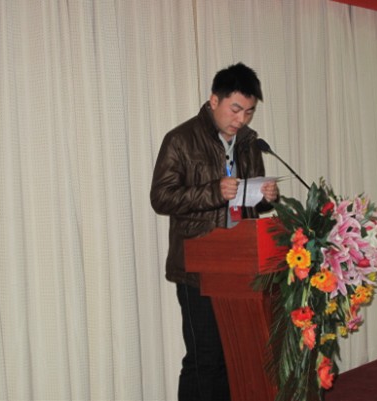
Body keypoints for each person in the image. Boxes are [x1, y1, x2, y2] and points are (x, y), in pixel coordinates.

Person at [150, 62, 279, 401]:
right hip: (198, 268)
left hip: (241, 265)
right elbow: (161, 198)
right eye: (235, 109)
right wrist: (212, 191)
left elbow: (247, 204)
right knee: (204, 359)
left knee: (233, 356)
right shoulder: (180, 139)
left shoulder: (249, 143)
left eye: (249, 112)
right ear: (214, 100)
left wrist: (265, 197)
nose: (241, 119)